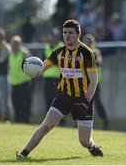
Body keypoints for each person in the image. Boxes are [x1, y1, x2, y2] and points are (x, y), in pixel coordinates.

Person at [17, 19, 103, 159]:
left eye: (70, 33)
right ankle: (22, 155)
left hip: (83, 99)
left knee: (84, 141)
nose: (67, 35)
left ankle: (92, 146)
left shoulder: (86, 53)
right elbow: (41, 68)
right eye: (64, 33)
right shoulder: (58, 52)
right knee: (46, 125)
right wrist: (28, 68)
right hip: (64, 96)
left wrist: (87, 100)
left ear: (78, 34)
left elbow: (94, 79)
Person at [82, 34, 110, 130]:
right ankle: (81, 122)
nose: (88, 43)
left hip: (94, 82)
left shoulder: (96, 52)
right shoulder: (82, 52)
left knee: (97, 102)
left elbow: (99, 62)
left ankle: (106, 121)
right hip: (85, 81)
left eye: (90, 41)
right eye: (86, 41)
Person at [9, 35, 32, 123]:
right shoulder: (10, 53)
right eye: (13, 43)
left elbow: (30, 65)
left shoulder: (24, 52)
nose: (15, 45)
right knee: (16, 105)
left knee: (25, 105)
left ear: (20, 44)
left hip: (24, 82)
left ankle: (25, 121)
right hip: (14, 83)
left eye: (17, 43)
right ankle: (17, 121)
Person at [42, 28, 64, 112]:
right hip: (47, 76)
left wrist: (51, 61)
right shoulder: (47, 47)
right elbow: (44, 61)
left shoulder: (62, 46)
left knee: (58, 99)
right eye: (51, 35)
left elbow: (60, 61)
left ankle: (60, 119)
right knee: (48, 99)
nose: (53, 37)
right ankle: (48, 118)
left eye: (54, 35)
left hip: (58, 77)